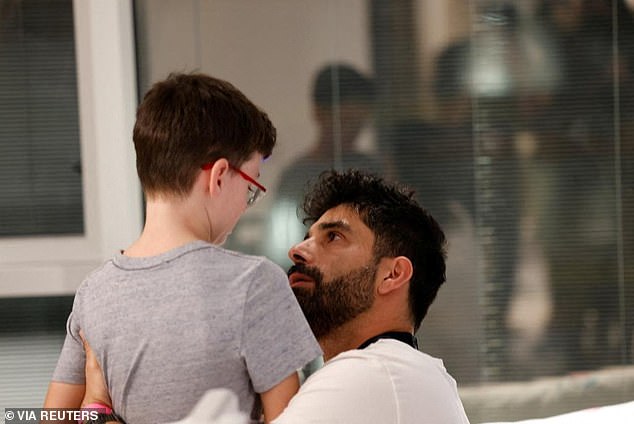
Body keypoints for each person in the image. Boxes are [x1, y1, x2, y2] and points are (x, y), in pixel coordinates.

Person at [81, 170, 471, 424]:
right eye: (308, 236)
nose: (297, 251)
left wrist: (98, 405)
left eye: (333, 238)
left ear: (393, 274)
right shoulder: (398, 377)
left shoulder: (371, 376)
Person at [43, 73, 322, 424]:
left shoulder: (94, 293)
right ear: (219, 176)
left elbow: (53, 418)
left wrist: (98, 409)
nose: (246, 204)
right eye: (251, 188)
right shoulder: (254, 284)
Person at [265, 63, 385, 266]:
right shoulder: (295, 177)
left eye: (359, 123)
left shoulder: (372, 168)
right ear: (319, 113)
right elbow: (282, 245)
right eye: (345, 121)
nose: (352, 132)